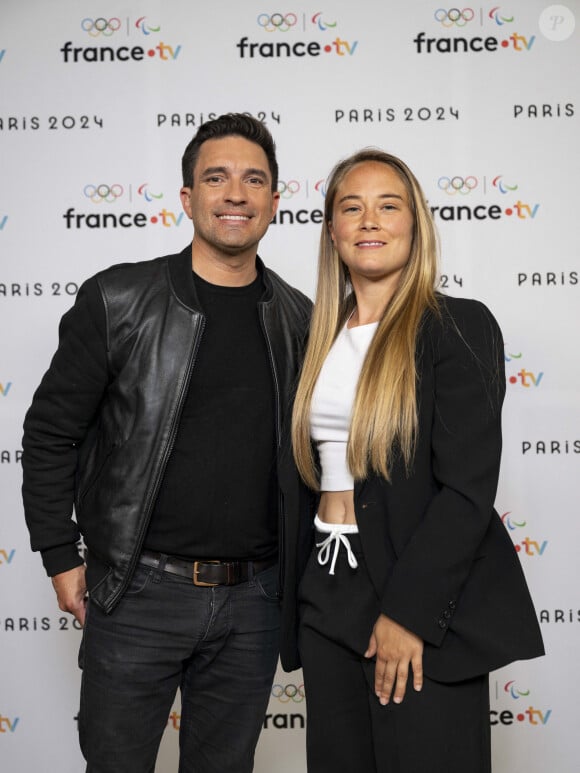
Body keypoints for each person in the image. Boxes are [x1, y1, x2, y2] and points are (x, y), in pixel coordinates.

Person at [21, 113, 311, 773]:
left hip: (255, 602)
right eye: (216, 177)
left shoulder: (302, 319)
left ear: (273, 200)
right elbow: (50, 433)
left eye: (253, 180)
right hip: (138, 593)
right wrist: (60, 554)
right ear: (188, 198)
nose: (235, 193)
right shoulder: (118, 300)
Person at [290, 149, 544, 772]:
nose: (369, 220)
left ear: (417, 223)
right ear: (332, 229)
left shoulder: (457, 327)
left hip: (418, 593)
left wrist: (408, 614)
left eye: (388, 205)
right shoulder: (313, 336)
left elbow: (466, 491)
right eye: (351, 207)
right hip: (327, 591)